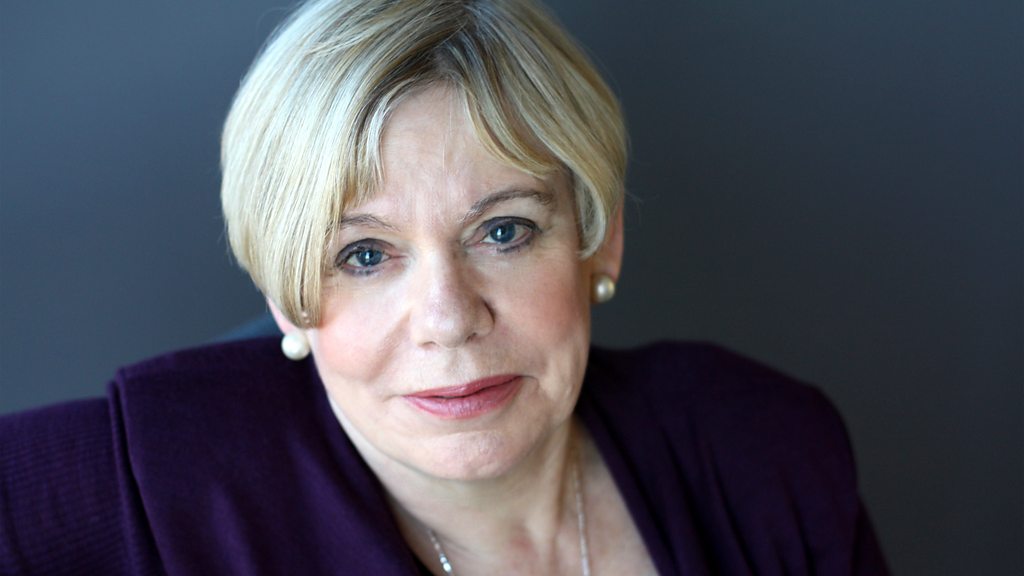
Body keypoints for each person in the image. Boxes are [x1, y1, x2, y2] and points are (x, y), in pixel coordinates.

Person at [0, 0, 889, 574]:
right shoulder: (160, 481)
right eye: (364, 255)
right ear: (283, 293)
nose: (448, 318)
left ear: (601, 240)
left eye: (503, 232)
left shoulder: (762, 454)